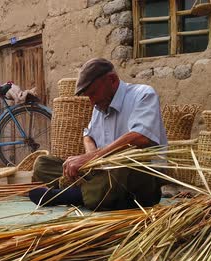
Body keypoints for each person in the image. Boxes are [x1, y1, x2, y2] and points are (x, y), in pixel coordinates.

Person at [30, 58, 168, 210]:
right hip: (103, 174)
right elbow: (88, 135)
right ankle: (86, 191)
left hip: (139, 181)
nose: (92, 101)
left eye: (94, 93)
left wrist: (92, 157)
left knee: (126, 166)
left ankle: (70, 196)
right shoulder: (100, 105)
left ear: (112, 80)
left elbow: (140, 137)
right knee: (43, 164)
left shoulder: (143, 94)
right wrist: (90, 162)